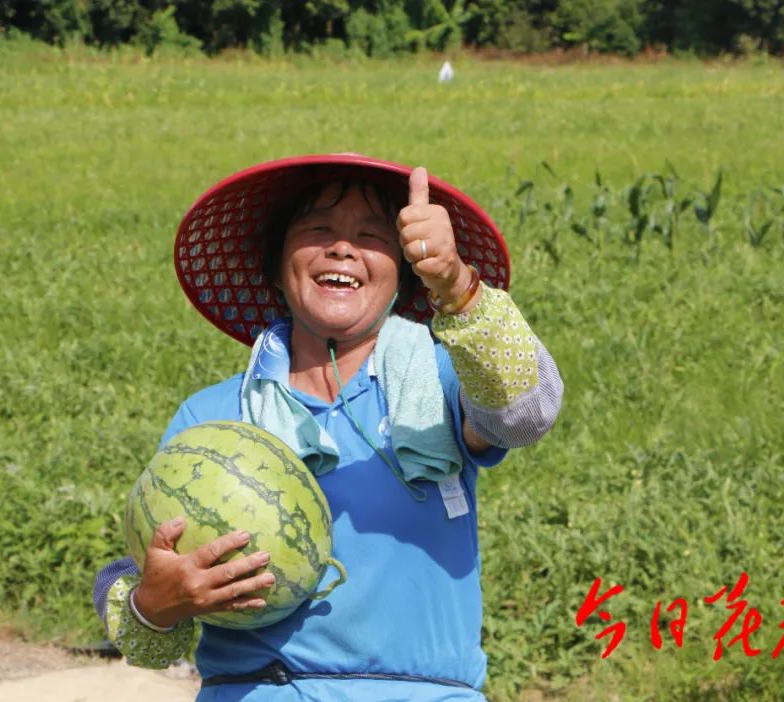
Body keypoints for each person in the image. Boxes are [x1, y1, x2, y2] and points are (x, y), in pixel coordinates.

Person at [92, 154, 563, 700]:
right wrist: (154, 604)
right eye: (318, 230)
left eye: (373, 235)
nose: (343, 247)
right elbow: (142, 617)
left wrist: (458, 286)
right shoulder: (213, 417)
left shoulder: (440, 384)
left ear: (404, 269)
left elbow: (527, 413)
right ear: (275, 263)